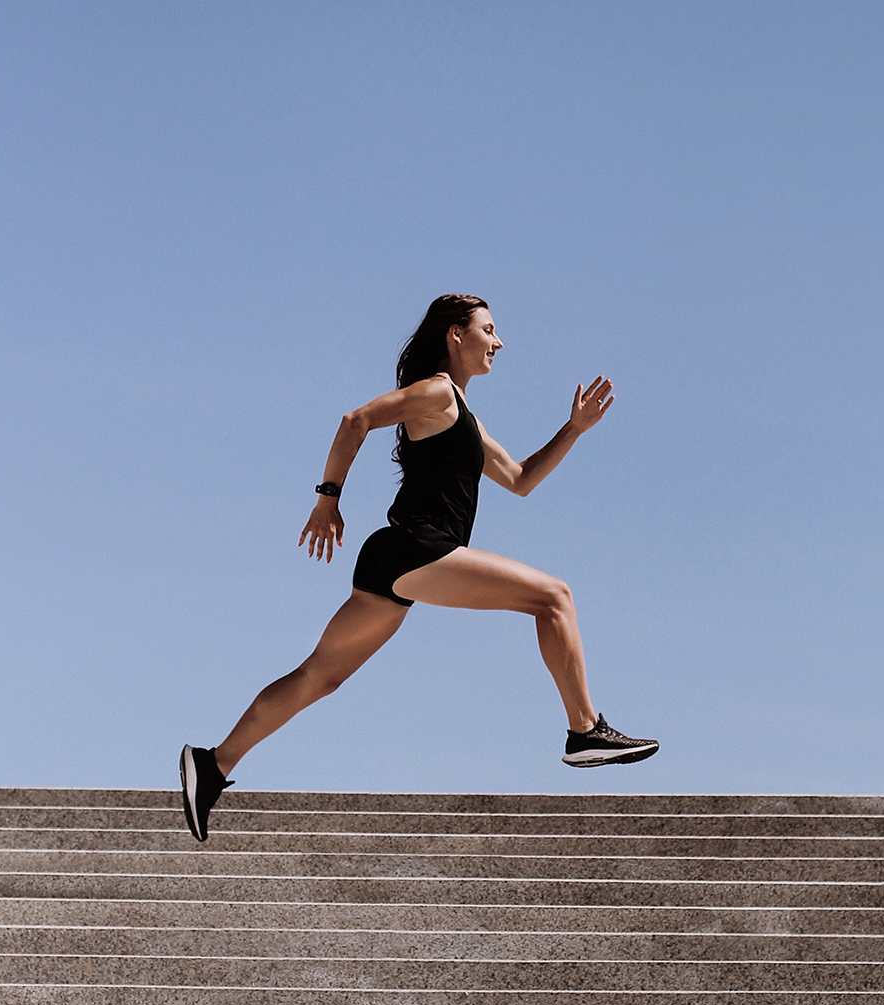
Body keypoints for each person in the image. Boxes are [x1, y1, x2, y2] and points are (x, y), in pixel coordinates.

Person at [180, 294, 658, 841]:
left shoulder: (464, 418)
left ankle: (213, 764)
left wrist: (573, 429)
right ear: (455, 335)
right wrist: (328, 498)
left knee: (319, 676)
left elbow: (522, 478)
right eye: (489, 330)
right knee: (554, 597)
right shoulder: (435, 391)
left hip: (392, 559)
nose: (498, 343)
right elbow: (356, 419)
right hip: (417, 548)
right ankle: (585, 731)